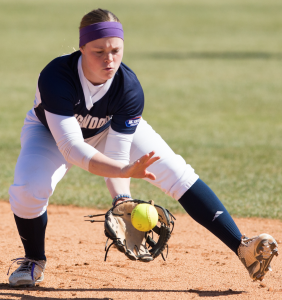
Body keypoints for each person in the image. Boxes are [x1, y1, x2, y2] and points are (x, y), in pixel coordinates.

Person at [8, 8, 278, 287]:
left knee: (175, 171)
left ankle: (242, 248)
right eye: (98, 51)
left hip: (106, 129)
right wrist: (125, 171)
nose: (108, 59)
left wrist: (122, 198)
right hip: (49, 134)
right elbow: (73, 149)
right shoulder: (57, 76)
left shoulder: (128, 88)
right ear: (82, 48)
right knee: (29, 189)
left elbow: (117, 153)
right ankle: (33, 260)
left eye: (115, 50)